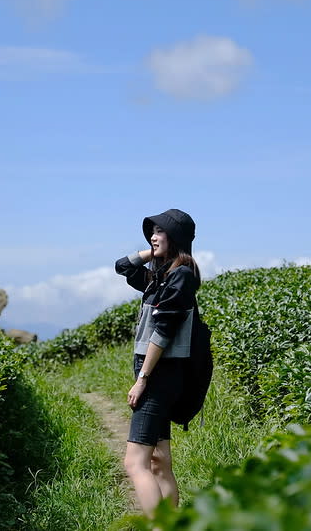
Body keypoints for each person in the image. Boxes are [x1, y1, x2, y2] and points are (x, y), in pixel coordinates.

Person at [114, 208, 201, 517]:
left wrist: (143, 378)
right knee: (159, 460)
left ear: (175, 237)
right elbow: (122, 267)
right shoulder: (162, 274)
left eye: (160, 231)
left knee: (134, 462)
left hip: (159, 375)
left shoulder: (181, 274)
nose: (153, 235)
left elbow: (164, 331)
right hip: (161, 374)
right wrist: (149, 252)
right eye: (151, 231)